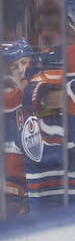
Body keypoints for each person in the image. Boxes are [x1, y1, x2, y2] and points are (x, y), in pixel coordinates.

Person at [2, 37, 32, 216]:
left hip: (32, 182)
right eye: (15, 66)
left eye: (24, 62)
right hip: (10, 185)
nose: (21, 70)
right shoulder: (9, 93)